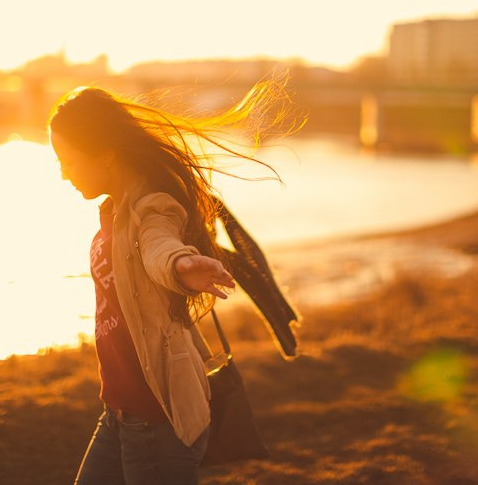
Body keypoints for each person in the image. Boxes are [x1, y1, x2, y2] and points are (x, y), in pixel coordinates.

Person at [48, 81, 298, 485]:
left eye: (68, 161)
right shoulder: (116, 210)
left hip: (156, 418)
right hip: (119, 412)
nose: (62, 174)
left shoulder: (152, 206)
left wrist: (182, 265)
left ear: (106, 156)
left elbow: (159, 246)